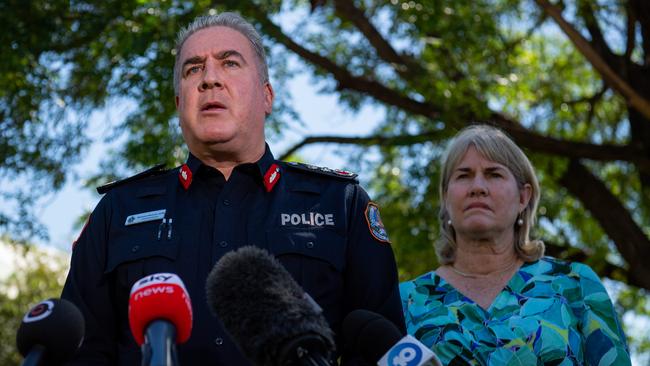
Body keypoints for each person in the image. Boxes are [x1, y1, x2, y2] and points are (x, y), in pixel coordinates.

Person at [61, 12, 404, 365]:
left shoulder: (339, 204)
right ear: (180, 106)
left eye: (229, 63)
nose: (210, 79)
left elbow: (381, 347)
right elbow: (81, 352)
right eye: (193, 69)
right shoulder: (120, 209)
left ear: (267, 96)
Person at [400, 125, 631, 365]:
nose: (477, 187)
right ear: (446, 198)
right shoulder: (405, 302)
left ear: (523, 197)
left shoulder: (574, 284)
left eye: (494, 174)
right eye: (463, 175)